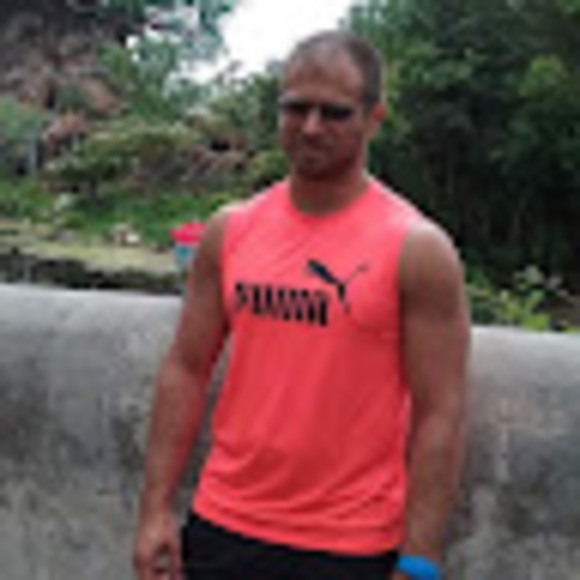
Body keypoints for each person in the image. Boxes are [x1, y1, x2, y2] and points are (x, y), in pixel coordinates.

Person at [133, 30, 470, 580]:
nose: (311, 127)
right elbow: (186, 369)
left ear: (374, 118)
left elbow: (442, 412)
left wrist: (419, 560)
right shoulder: (232, 230)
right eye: (296, 108)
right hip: (223, 526)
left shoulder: (415, 248)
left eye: (334, 113)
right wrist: (154, 510)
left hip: (349, 543)